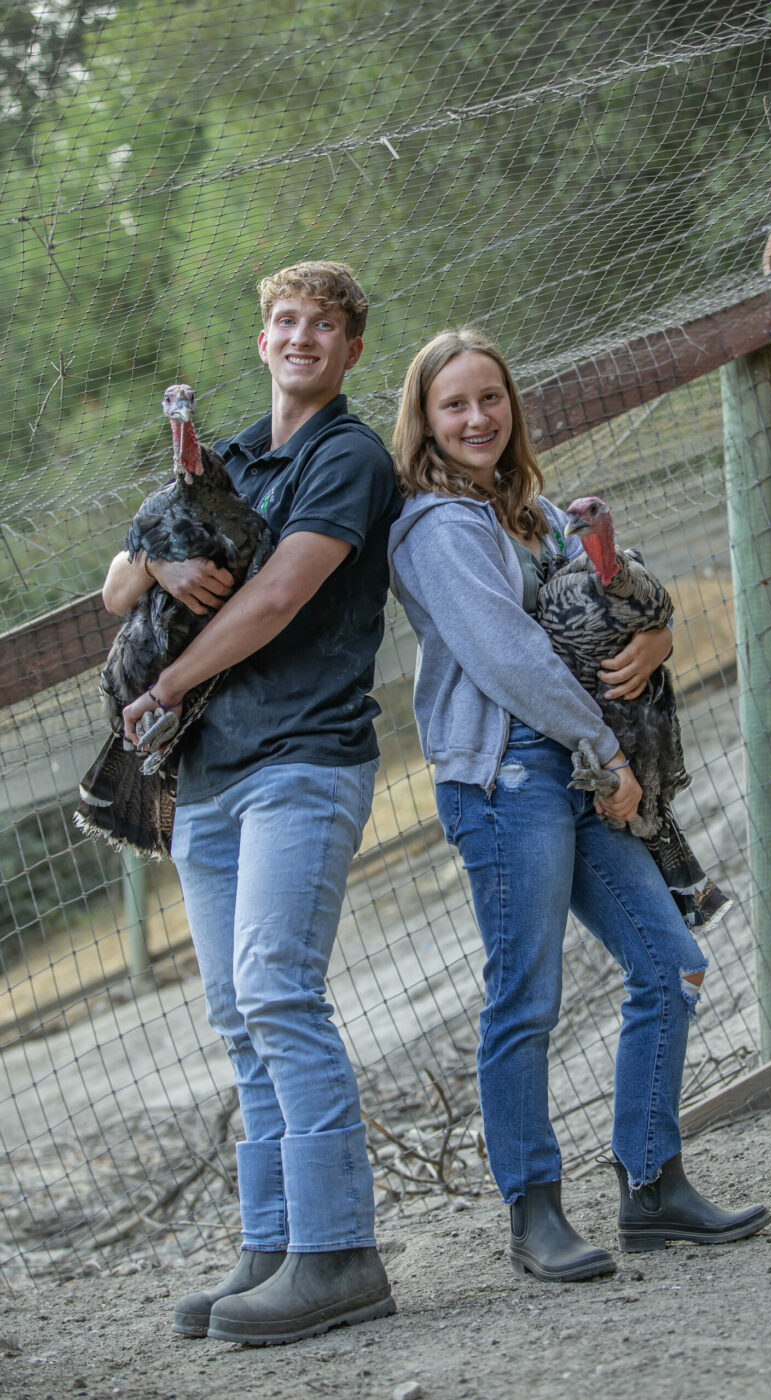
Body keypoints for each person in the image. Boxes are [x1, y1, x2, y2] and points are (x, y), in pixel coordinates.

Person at [387, 327, 771, 1281]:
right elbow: (512, 658)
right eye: (453, 404)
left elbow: (617, 593)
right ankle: (536, 1213)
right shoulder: (437, 528)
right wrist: (603, 751)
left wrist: (660, 637)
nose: (477, 417)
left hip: (573, 761)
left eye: (491, 397)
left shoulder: (538, 515)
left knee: (671, 963)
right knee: (527, 995)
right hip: (507, 775)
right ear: (425, 421)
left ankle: (652, 1186)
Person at [105, 261, 401, 1345]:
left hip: (302, 757)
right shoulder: (222, 458)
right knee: (237, 1014)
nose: (301, 337)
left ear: (350, 349)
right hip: (212, 772)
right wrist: (158, 566)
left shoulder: (348, 457)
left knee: (278, 991)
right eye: (285, 320)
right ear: (263, 339)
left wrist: (169, 684)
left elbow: (278, 594)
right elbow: (114, 587)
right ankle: (272, 1245)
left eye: (324, 325)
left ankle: (340, 1252)